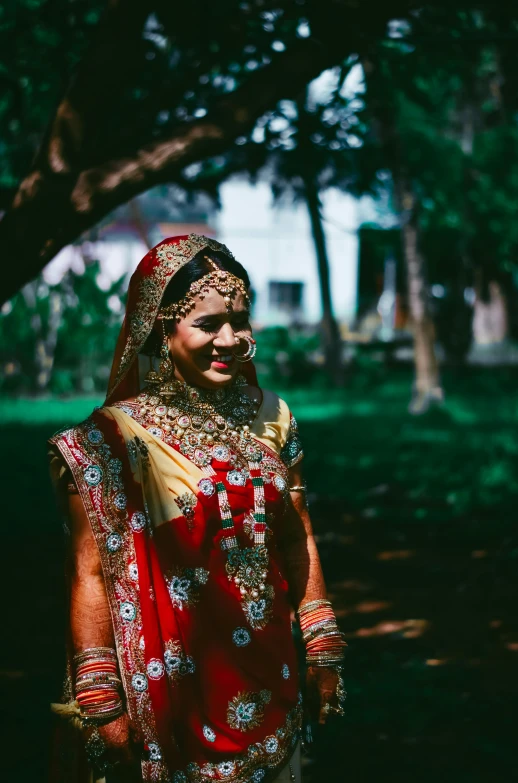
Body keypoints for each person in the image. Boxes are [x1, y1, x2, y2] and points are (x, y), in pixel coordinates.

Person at [48, 234, 346, 783]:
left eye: (239, 320)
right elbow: (88, 571)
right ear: (160, 329)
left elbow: (296, 536)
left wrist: (322, 644)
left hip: (271, 668)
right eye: (208, 324)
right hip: (170, 696)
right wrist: (100, 693)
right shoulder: (111, 441)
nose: (230, 340)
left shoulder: (273, 416)